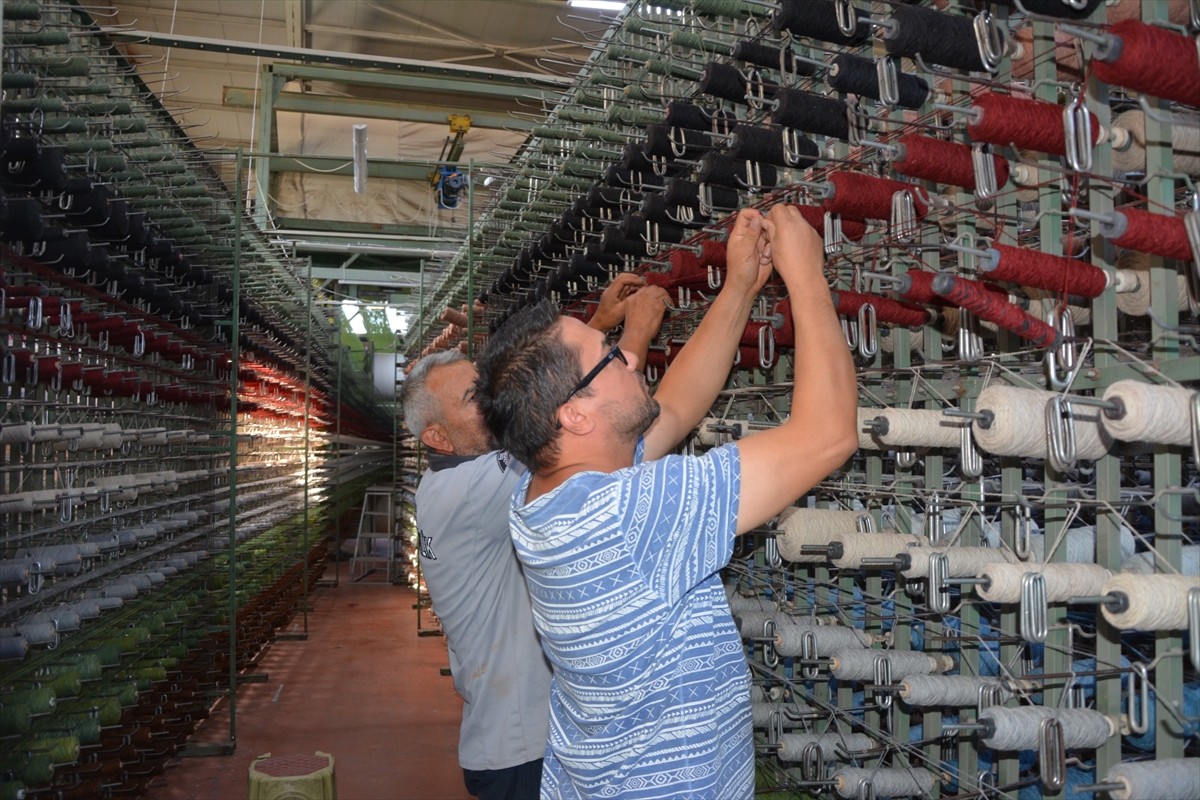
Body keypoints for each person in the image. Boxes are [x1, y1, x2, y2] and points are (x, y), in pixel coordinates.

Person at [473, 205, 858, 800]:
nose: (630, 355)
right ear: (574, 415)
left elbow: (673, 409)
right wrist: (806, 274)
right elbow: (829, 433)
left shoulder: (545, 497)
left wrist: (740, 288)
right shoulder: (624, 517)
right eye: (608, 354)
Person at [399, 274, 670, 800]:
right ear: (437, 436)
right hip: (523, 752)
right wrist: (631, 338)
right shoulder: (472, 489)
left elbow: (545, 396)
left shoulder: (447, 480)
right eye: (475, 399)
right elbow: (580, 417)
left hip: (516, 740)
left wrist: (596, 327)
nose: (495, 400)